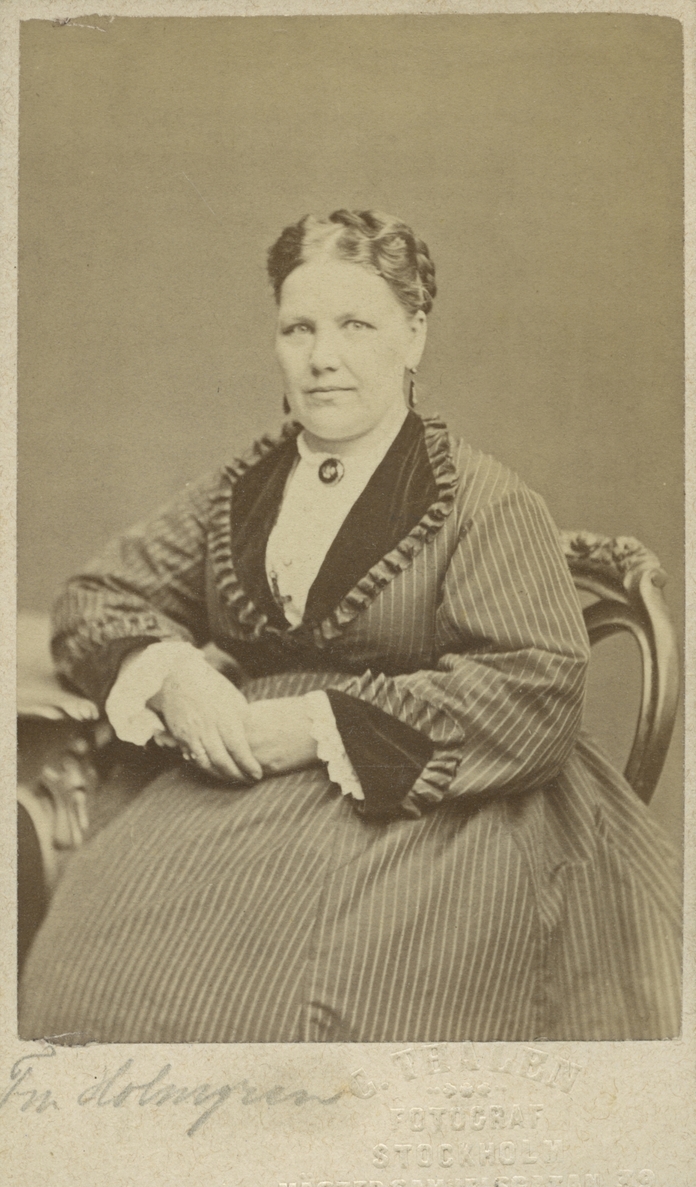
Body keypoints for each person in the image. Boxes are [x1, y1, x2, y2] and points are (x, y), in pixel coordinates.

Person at [19, 209, 681, 1044]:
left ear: (414, 335)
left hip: (432, 812)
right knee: (91, 978)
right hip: (237, 792)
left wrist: (313, 724)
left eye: (355, 326)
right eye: (298, 328)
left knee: (285, 1015)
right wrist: (174, 674)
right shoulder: (244, 490)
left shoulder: (482, 499)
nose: (322, 356)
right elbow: (98, 595)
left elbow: (535, 685)